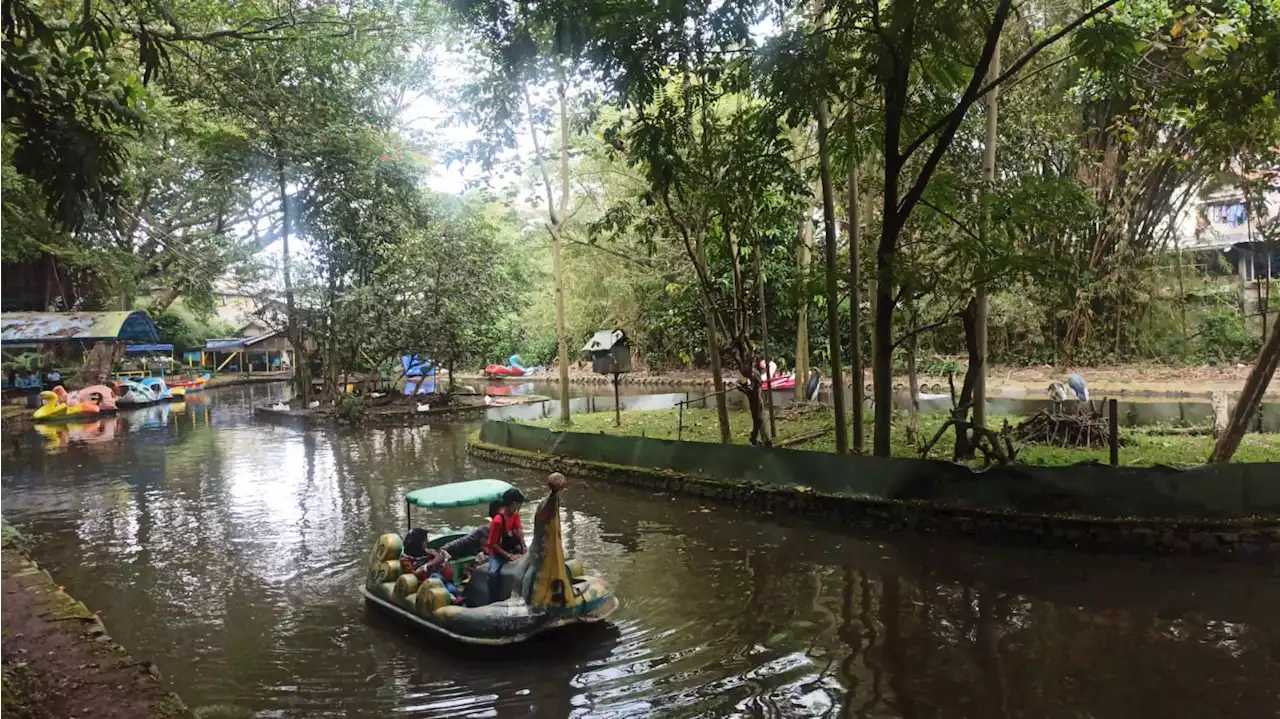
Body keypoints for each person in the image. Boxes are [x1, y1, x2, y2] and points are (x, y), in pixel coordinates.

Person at [485, 488, 526, 602]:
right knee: (493, 574)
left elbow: (519, 532)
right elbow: (492, 544)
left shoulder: (515, 515)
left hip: (512, 548)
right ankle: (493, 600)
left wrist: (524, 550)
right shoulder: (497, 521)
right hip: (497, 553)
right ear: (513, 504)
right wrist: (508, 556)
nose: (519, 507)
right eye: (519, 504)